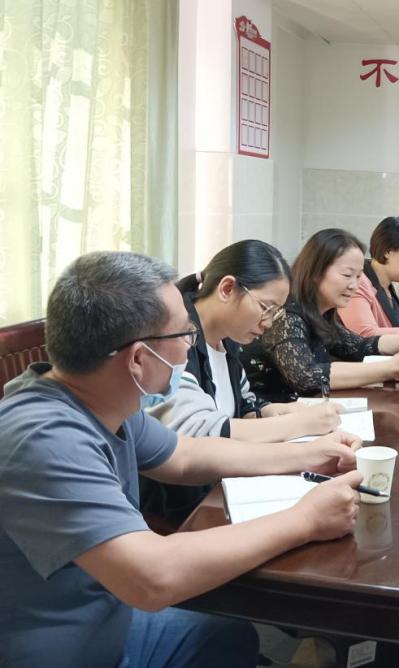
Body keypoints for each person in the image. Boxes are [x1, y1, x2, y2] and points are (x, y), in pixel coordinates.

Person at [0, 251, 364, 667]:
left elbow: (186, 455)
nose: (190, 343)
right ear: (139, 359)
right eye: (184, 333)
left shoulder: (105, 401)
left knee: (228, 637)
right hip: (69, 650)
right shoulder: (44, 438)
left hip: (113, 621)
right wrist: (306, 520)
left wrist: (308, 454)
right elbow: (151, 577)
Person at [142, 239, 349, 524]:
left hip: (223, 491)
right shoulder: (177, 340)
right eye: (266, 307)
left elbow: (243, 403)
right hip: (180, 512)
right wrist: (302, 425)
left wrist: (272, 411)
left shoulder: (227, 341)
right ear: (227, 288)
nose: (269, 322)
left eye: (276, 312)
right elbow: (199, 432)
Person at [242, 228, 399, 402]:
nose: (354, 285)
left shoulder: (321, 312)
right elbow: (306, 376)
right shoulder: (287, 314)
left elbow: (359, 346)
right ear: (316, 272)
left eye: (358, 276)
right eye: (347, 275)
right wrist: (391, 368)